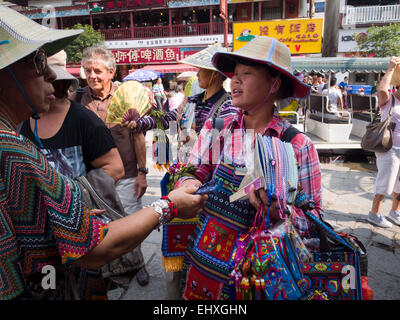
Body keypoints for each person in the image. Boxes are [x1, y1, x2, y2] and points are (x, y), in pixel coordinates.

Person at [0, 6, 206, 300]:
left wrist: (70, 204)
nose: (49, 74)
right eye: (36, 61)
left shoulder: (71, 119)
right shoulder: (11, 149)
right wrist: (169, 206)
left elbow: (122, 156)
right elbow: (94, 247)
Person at [169, 36, 322, 300]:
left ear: (274, 83)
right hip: (203, 265)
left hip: (259, 277)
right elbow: (193, 170)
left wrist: (277, 210)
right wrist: (187, 184)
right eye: (234, 74)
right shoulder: (219, 127)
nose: (234, 81)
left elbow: (314, 220)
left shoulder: (296, 145)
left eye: (246, 74)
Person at [19, 50, 126, 299]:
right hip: (41, 240)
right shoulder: (22, 121)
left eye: (53, 81)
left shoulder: (82, 119)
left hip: (79, 231)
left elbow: (115, 168)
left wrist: (72, 200)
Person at [70, 46, 149, 286]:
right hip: (93, 176)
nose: (92, 75)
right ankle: (110, 268)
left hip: (126, 172)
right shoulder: (77, 99)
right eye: (88, 70)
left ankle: (138, 264)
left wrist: (143, 174)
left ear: (111, 72)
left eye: (98, 71)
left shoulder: (126, 96)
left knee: (130, 222)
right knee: (102, 225)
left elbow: (138, 137)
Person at [368, 56, 400, 228]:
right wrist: (391, 68)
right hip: (389, 148)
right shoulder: (390, 100)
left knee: (399, 185)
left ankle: (395, 212)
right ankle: (374, 213)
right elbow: (381, 90)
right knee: (385, 183)